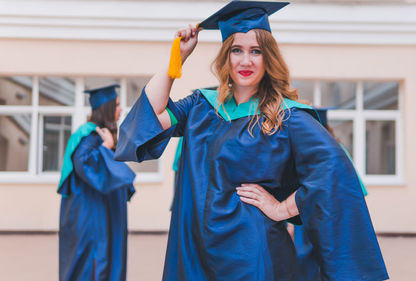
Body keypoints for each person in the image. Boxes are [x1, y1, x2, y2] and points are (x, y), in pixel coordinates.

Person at [115, 1, 388, 280]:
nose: (246, 61)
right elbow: (151, 116)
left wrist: (281, 208)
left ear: (268, 58)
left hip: (252, 254)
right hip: (196, 251)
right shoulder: (201, 106)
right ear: (226, 57)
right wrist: (178, 58)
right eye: (237, 50)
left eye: (256, 51)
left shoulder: (286, 116)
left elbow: (335, 171)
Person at [57, 84, 136, 281]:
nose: (120, 109)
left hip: (101, 213)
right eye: (117, 105)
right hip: (92, 216)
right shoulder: (89, 137)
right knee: (92, 265)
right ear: (107, 108)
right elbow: (86, 165)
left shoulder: (99, 134)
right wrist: (107, 148)